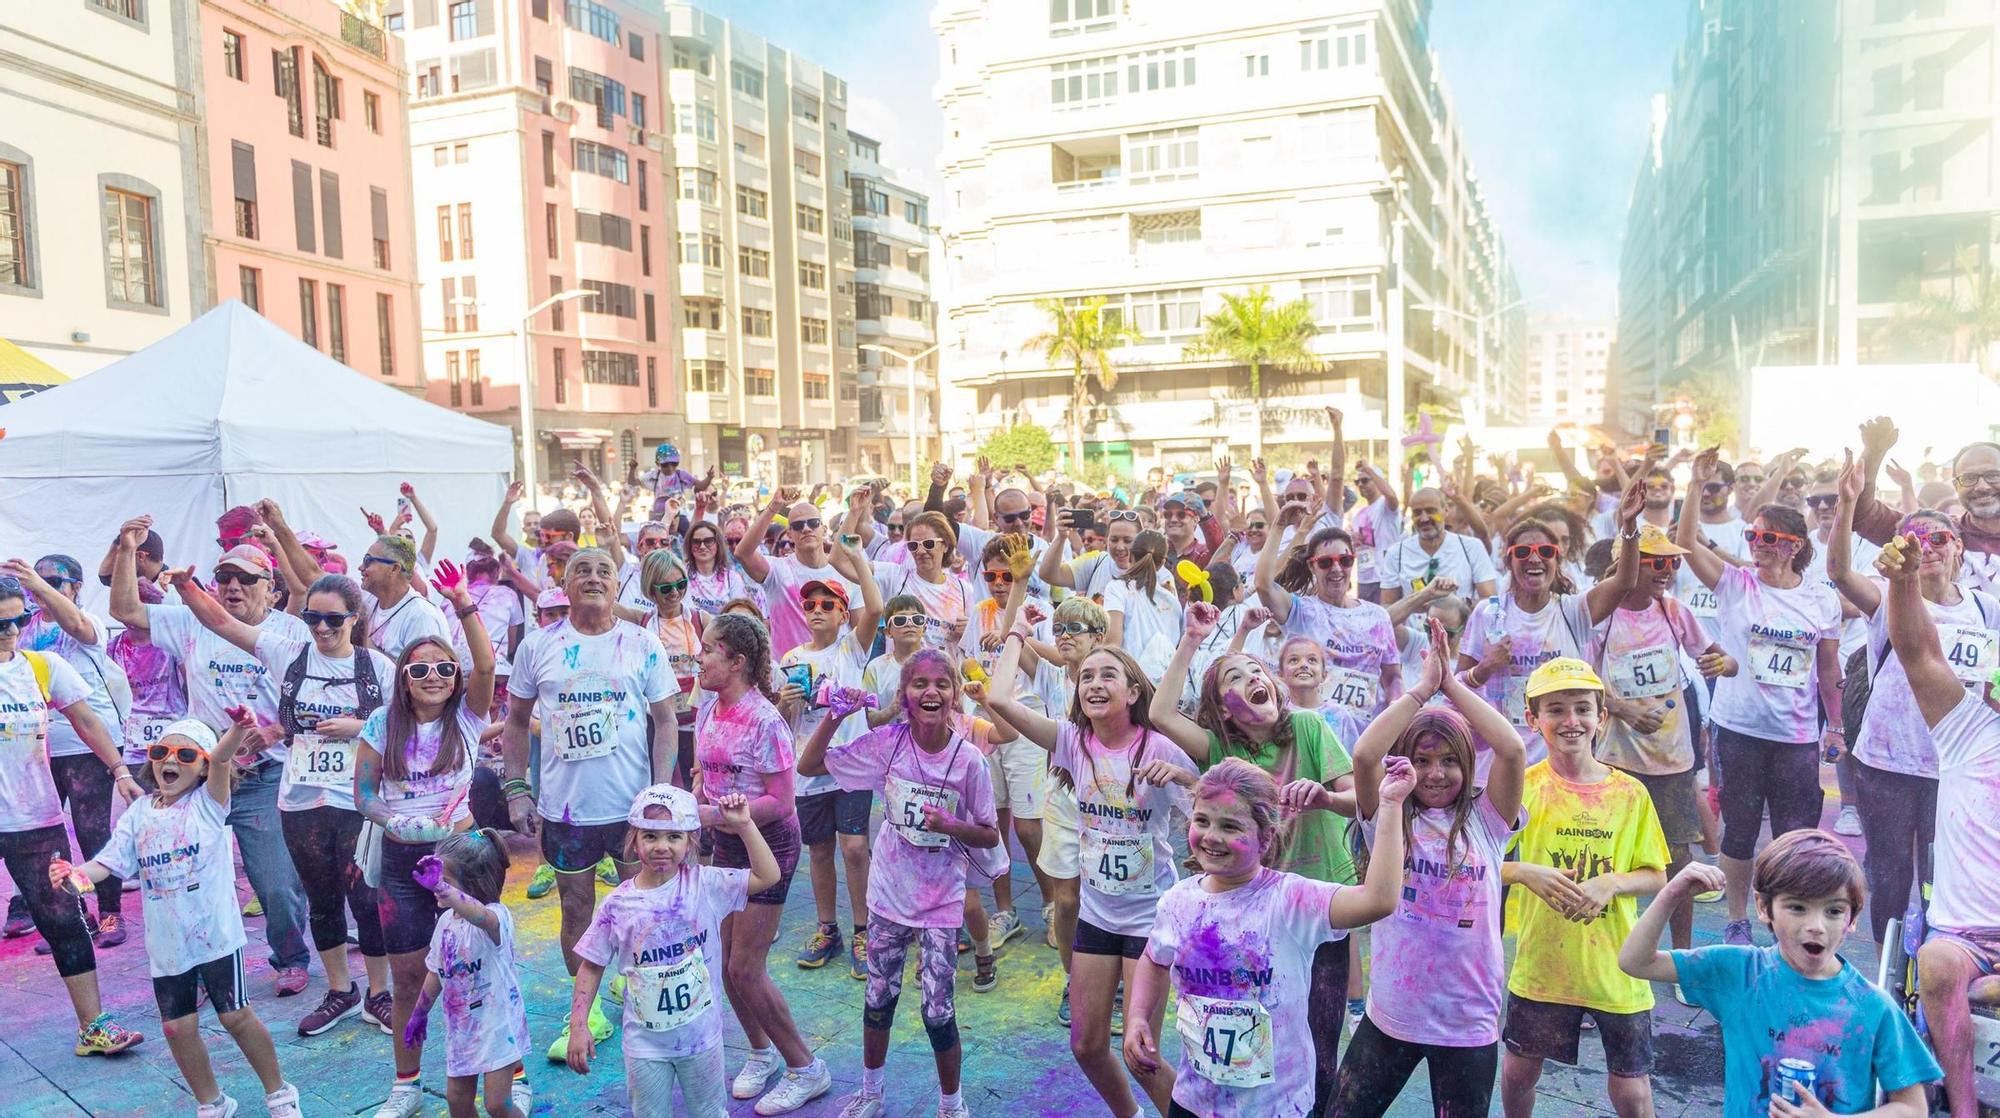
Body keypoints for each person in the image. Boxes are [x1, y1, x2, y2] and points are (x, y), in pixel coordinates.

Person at [1150, 603, 1359, 1115]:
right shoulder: (1219, 747)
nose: (1250, 678)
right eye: (1234, 681)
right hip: (1255, 912)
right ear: (1223, 711)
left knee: (1322, 1036)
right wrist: (1193, 639)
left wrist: (1327, 799)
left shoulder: (1308, 726)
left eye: (1254, 671)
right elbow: (1159, 714)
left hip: (1320, 897)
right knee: (1263, 1026)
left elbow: (1360, 799)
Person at [172, 567, 399, 1038]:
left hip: (358, 801)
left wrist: (357, 728)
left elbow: (405, 726)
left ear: (354, 620)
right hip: (300, 802)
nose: (321, 628)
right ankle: (340, 989)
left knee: (366, 897)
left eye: (333, 620)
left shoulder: (377, 669)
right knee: (321, 899)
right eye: (313, 617)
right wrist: (184, 587)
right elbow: (221, 623)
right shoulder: (287, 653)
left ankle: (379, 993)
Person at [1122, 757, 1408, 1118]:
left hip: (1275, 1107)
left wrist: (1392, 804)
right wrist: (1138, 1018)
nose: (1211, 836)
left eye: (1230, 826)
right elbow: (1153, 958)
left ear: (1266, 837)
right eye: (1202, 821)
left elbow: (1378, 899)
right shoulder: (1177, 902)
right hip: (1196, 1099)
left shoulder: (1290, 901)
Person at [53, 713, 301, 1117]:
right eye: (161, 752)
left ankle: (279, 1093)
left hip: (215, 935)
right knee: (176, 1027)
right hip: (169, 943)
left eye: (186, 754)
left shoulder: (209, 805)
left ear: (203, 766)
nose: (171, 761)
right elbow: (108, 864)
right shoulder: (138, 815)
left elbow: (223, 760)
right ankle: (212, 1103)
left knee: (235, 1016)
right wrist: (76, 877)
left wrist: (237, 729)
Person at [986, 642, 1196, 1118]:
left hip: (1148, 920)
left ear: (1134, 691)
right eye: (1086, 677)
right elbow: (999, 701)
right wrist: (1016, 636)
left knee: (1142, 1056)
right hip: (1097, 917)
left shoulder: (1157, 746)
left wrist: (1185, 780)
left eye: (1108, 675)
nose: (1095, 684)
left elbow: (1213, 810)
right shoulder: (1071, 741)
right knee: (1085, 1045)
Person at [1329, 619, 1526, 1118]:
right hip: (1393, 1013)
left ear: (1467, 766)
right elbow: (1364, 753)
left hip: (1467, 1020)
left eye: (1449, 761)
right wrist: (1422, 689)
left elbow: (1512, 748)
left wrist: (1453, 685)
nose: (1436, 773)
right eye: (1423, 759)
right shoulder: (1390, 813)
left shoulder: (1489, 821)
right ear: (1405, 764)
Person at [109, 517, 315, 995]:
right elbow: (124, 608)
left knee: (275, 881)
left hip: (264, 773)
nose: (234, 587)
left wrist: (277, 728)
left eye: (246, 579)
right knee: (187, 873)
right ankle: (200, 968)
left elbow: (318, 697)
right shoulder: (190, 621)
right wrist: (126, 549)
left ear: (272, 587)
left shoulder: (294, 632)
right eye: (224, 578)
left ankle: (291, 957)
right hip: (200, 773)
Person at [800, 652, 1003, 1118]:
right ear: (904, 696)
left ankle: (951, 1103)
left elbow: (990, 832)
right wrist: (835, 717)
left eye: (941, 685)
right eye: (919, 684)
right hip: (889, 893)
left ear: (954, 696)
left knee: (937, 1010)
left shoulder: (968, 760)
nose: (930, 692)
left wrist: (953, 825)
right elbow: (810, 766)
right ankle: (871, 1093)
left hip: (940, 898)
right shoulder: (887, 744)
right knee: (878, 998)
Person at [500, 548, 680, 1062]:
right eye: (582, 570)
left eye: (604, 571)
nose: (594, 578)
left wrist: (659, 793)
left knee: (640, 906)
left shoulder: (642, 642)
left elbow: (666, 720)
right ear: (564, 582)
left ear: (615, 584)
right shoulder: (539, 646)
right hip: (566, 811)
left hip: (630, 808)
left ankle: (643, 992)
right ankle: (588, 1012)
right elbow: (515, 721)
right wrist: (517, 789)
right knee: (576, 907)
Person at [1618, 831, 1937, 1116]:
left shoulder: (1873, 1007)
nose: (1816, 925)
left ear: (1852, 918)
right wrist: (1673, 893)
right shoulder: (1740, 972)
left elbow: (1913, 1107)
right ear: (1763, 907)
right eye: (1798, 907)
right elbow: (1636, 961)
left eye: (1834, 911)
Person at [1826, 455, 1996, 944]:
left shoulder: (1987, 609)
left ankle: (1934, 965)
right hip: (1888, 761)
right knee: (1890, 875)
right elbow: (1838, 572)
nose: (1929, 550)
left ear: (1959, 546)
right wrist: (1846, 501)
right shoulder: (1888, 594)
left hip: (1953, 767)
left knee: (1943, 875)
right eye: (1916, 541)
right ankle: (1887, 974)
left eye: (1939, 539)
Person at [1677, 448, 1844, 945]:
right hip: (1739, 728)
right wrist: (1693, 484)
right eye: (1753, 536)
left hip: (1793, 733)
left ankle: (1785, 919)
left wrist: (1834, 726)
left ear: (1795, 546)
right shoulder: (1736, 583)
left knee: (1795, 833)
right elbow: (1685, 542)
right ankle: (1736, 920)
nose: (1758, 545)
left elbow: (1829, 666)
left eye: (1770, 539)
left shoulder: (1820, 597)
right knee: (1741, 829)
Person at [1498, 659, 1669, 1118]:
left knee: (1632, 1091)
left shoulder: (1630, 793)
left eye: (1581, 709)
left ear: (1601, 718)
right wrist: (1525, 873)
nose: (1570, 721)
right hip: (1542, 963)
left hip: (1617, 966)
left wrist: (1611, 883)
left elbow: (1656, 877)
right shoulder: (1521, 787)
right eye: (1555, 710)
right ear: (1532, 720)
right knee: (1517, 1074)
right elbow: (1480, 861)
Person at [356, 561, 496, 1118]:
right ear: (404, 678)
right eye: (420, 670)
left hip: (463, 858)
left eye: (443, 667)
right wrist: (390, 820)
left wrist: (463, 604)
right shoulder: (380, 724)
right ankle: (407, 1085)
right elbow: (362, 794)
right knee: (409, 977)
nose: (434, 676)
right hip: (401, 864)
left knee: (480, 969)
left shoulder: (467, 717)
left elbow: (485, 663)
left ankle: (506, 1072)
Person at [1874, 530, 2000, 1117]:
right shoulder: (1969, 732)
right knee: (1937, 964)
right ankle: (1964, 1109)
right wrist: (1902, 581)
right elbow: (1918, 651)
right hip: (1965, 934)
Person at [0, 574, 146, 1057]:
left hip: (33, 819)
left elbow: (86, 720)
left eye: (16, 621)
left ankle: (92, 1027)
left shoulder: (43, 667)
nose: (8, 632)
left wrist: (120, 769)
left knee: (64, 918)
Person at [690, 612, 830, 1113]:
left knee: (747, 966)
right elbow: (702, 776)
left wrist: (722, 815)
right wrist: (698, 817)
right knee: (726, 966)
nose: (698, 657)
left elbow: (784, 800)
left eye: (708, 650)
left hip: (769, 847)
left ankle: (806, 1068)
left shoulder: (765, 720)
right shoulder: (707, 710)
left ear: (737, 661)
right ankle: (760, 1052)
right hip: (726, 844)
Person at [568, 785, 774, 1118]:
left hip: (701, 1038)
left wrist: (744, 825)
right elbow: (590, 966)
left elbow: (768, 875)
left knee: (709, 1112)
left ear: (690, 841)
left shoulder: (705, 885)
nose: (662, 847)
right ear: (634, 841)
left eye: (674, 837)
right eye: (650, 836)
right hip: (645, 1045)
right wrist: (579, 1025)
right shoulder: (617, 905)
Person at [1591, 524, 1735, 972]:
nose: (1668, 570)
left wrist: (1723, 662)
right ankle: (1605, 962)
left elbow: (1721, 660)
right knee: (1607, 860)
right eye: (1657, 561)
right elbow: (1580, 682)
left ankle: (1682, 960)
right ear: (1627, 564)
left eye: (1673, 562)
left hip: (1672, 758)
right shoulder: (1600, 614)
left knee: (1678, 859)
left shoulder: (1675, 611)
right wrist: (1624, 711)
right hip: (1615, 758)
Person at [1460, 481, 1639, 772]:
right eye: (1522, 552)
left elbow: (1625, 581)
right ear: (1508, 560)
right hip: (1497, 764)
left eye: (1545, 550)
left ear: (1557, 559)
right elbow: (1457, 686)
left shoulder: (1573, 611)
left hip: (1559, 764)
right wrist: (1485, 667)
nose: (1534, 558)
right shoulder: (1488, 613)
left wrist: (1629, 526)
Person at [3, 555, 131, 949]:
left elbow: (73, 624)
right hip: (34, 748)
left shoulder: (85, 621)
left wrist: (36, 589)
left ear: (76, 587)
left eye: (56, 582)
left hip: (84, 744)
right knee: (48, 839)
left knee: (93, 830)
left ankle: (111, 912)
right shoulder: (18, 626)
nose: (12, 628)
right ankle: (75, 916)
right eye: (36, 584)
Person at [1252, 456, 1402, 745]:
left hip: (1369, 739)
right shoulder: (1302, 611)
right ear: (1312, 566)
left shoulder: (1377, 616)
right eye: (1325, 562)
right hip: (1315, 739)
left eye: (1345, 560)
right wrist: (1280, 526)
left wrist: (1397, 705)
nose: (1336, 569)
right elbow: (1263, 584)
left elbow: (1392, 675)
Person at [777, 565, 881, 980]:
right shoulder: (791, 658)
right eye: (810, 604)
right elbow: (785, 724)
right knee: (818, 850)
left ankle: (864, 930)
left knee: (855, 848)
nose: (817, 611)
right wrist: (784, 702)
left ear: (842, 614)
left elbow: (874, 607)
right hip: (808, 767)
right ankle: (827, 929)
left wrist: (856, 559)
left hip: (851, 764)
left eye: (827, 604)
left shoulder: (852, 649)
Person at [402, 831, 534, 1118]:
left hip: (499, 1025)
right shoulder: (445, 924)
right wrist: (419, 1013)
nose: (437, 888)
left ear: (471, 884)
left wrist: (445, 890)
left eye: (445, 881)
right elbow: (437, 972)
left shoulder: (496, 917)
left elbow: (479, 915)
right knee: (457, 1101)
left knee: (498, 1103)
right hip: (462, 1027)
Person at [735, 487, 861, 659]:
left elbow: (859, 631)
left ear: (824, 529)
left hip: (835, 675)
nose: (806, 529)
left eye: (813, 523)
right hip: (790, 675)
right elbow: (743, 553)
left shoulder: (846, 571)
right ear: (790, 534)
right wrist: (774, 507)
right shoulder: (778, 571)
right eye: (798, 525)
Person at [638, 549, 709, 789]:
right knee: (666, 787)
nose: (676, 592)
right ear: (651, 589)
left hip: (698, 720)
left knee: (699, 789)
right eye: (666, 588)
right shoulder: (641, 623)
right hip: (656, 722)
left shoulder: (701, 620)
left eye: (681, 584)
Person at [1378, 487, 1498, 606]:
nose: (1424, 519)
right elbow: (1387, 607)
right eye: (1417, 513)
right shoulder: (1396, 553)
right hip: (1411, 626)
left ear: (1445, 511)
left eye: (1431, 511)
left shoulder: (1471, 547)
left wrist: (1458, 610)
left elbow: (1491, 600)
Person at [1103, 529, 1184, 678]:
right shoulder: (1172, 600)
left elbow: (1112, 645)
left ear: (1131, 554)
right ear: (1163, 563)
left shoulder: (1117, 588)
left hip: (1129, 681)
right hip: (1163, 687)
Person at [683, 519, 760, 619]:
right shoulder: (682, 575)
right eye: (696, 542)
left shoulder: (732, 578)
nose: (702, 546)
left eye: (708, 541)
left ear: (718, 543)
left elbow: (740, 615)